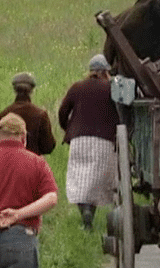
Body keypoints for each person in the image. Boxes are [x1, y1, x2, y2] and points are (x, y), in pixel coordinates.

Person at [58, 54, 120, 231]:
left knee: (79, 179)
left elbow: (63, 111)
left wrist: (68, 128)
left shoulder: (77, 87)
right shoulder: (111, 88)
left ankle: (85, 213)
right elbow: (122, 112)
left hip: (79, 139)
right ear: (106, 72)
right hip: (104, 140)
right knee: (97, 180)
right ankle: (90, 212)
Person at [0, 113, 58, 268]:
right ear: (23, 137)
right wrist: (18, 214)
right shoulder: (36, 163)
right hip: (20, 240)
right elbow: (51, 198)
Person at [0, 72, 56, 156]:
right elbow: (48, 147)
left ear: (15, 90)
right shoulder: (41, 114)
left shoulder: (5, 114)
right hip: (33, 164)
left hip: (7, 163)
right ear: (31, 91)